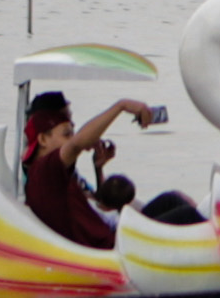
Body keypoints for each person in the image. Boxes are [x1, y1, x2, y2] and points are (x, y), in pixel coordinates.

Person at [21, 88, 159, 251]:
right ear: (43, 139)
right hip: (108, 248)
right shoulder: (45, 170)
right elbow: (76, 144)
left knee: (171, 202)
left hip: (108, 235)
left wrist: (98, 168)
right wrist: (121, 106)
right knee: (180, 213)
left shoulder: (56, 173)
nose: (71, 138)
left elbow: (96, 205)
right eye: (67, 133)